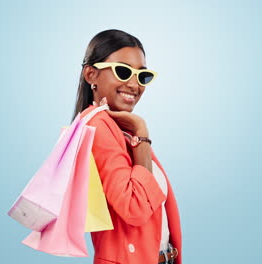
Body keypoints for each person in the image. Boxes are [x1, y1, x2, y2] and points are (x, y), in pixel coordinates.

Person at [74, 29, 182, 264]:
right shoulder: (98, 125)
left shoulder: (117, 128)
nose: (134, 85)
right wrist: (141, 135)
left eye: (142, 76)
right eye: (123, 72)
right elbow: (134, 208)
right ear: (91, 74)